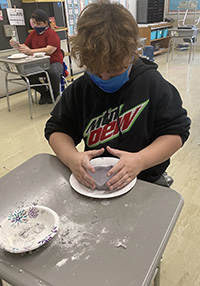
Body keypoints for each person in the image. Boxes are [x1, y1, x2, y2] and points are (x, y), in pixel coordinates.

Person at [44, 0, 191, 190]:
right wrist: (72, 158)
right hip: (97, 181)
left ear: (132, 54)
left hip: (147, 180)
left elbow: (176, 132)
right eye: (96, 72)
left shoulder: (153, 85)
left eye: (114, 72)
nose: (105, 77)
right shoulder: (80, 90)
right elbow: (57, 129)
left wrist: (141, 160)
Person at [10, 9, 63, 104]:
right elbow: (26, 46)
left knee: (53, 72)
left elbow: (49, 50)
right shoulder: (33, 34)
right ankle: (44, 92)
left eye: (38, 24)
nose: (36, 26)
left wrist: (30, 51)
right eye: (34, 24)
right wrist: (18, 46)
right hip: (38, 63)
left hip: (53, 62)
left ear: (45, 23)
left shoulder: (51, 33)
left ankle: (55, 93)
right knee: (25, 73)